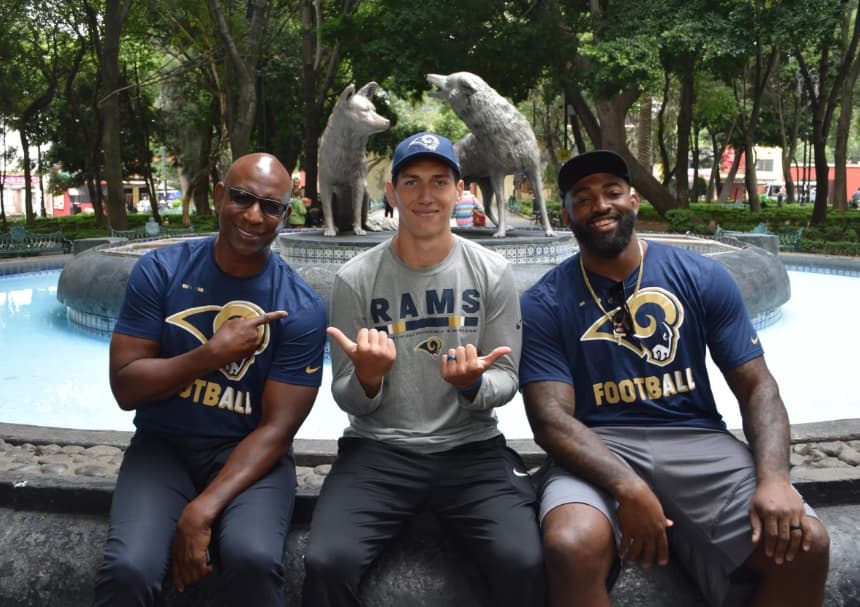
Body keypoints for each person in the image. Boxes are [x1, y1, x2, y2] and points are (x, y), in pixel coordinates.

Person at [519, 150, 830, 607]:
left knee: (805, 543)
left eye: (612, 192)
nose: (600, 204)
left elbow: (756, 385)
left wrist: (776, 478)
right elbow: (549, 419)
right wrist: (629, 487)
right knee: (570, 545)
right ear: (566, 215)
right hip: (597, 446)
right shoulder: (544, 301)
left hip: (696, 439)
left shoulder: (701, 276)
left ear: (634, 200)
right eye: (582, 198)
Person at [302, 132, 544, 607]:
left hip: (471, 450)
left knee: (525, 561)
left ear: (460, 190)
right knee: (326, 562)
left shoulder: (493, 272)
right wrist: (368, 377)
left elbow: (508, 378)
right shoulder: (355, 280)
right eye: (411, 182)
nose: (426, 196)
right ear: (391, 193)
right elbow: (345, 393)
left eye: (439, 182)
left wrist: (474, 385)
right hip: (379, 451)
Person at [93, 153, 328, 607]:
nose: (254, 215)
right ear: (220, 197)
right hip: (163, 447)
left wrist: (202, 510)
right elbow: (126, 387)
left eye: (271, 207)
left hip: (248, 459)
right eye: (242, 198)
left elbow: (277, 430)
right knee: (128, 570)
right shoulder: (161, 272)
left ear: (285, 215)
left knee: (253, 559)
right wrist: (210, 354)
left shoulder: (299, 306)